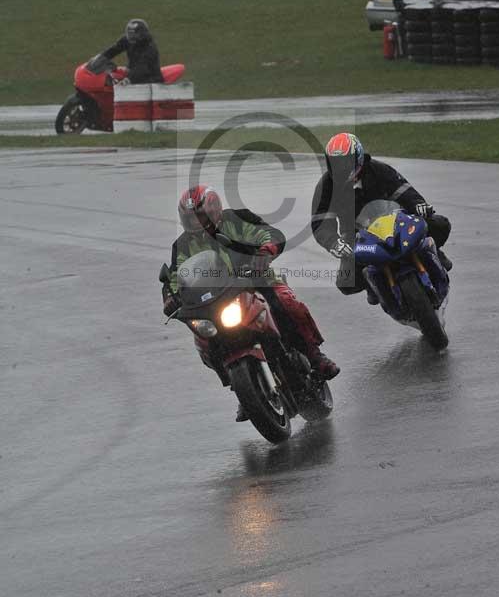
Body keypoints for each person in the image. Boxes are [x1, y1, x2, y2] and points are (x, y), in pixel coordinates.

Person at [162, 185, 340, 420]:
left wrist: (265, 252)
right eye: (190, 219)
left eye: (200, 217)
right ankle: (241, 389)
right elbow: (176, 276)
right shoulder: (182, 245)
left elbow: (268, 234)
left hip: (257, 281)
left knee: (287, 304)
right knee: (203, 337)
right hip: (215, 299)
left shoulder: (237, 219)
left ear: (214, 209)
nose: (196, 223)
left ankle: (315, 356)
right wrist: (170, 297)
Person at [311, 132, 452, 300]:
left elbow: (404, 190)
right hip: (357, 236)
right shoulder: (326, 185)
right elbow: (320, 222)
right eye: (335, 163)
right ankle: (374, 285)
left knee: (439, 224)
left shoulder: (378, 169)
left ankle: (434, 253)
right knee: (346, 283)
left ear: (359, 157)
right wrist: (333, 242)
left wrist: (419, 204)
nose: (341, 167)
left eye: (345, 162)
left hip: (395, 222)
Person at [97, 18, 163, 84]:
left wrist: (128, 79)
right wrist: (100, 58)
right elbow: (113, 50)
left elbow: (142, 67)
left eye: (135, 34)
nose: (132, 37)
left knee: (120, 84)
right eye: (130, 34)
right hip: (133, 73)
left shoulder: (149, 47)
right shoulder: (127, 40)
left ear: (143, 34)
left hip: (150, 78)